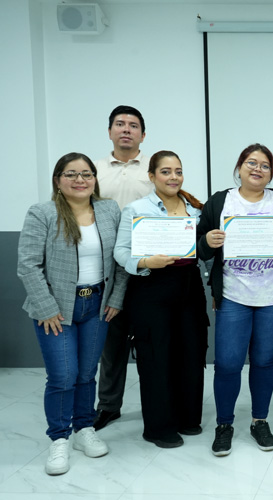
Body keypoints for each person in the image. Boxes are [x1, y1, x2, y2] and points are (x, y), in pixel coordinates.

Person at [18, 153, 128, 475]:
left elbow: (120, 259)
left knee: (86, 373)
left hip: (98, 304)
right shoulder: (43, 213)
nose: (79, 180)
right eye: (71, 174)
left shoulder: (109, 210)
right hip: (56, 308)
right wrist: (47, 307)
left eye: (86, 174)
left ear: (95, 179)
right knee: (63, 376)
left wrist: (117, 297)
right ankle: (59, 439)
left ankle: (83, 430)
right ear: (58, 180)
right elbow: (27, 265)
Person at [197, 143, 273, 456]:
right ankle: (224, 425)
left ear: (271, 172)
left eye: (264, 165)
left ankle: (260, 421)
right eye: (251, 163)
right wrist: (207, 240)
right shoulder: (221, 201)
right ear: (239, 167)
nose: (257, 169)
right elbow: (199, 245)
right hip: (233, 294)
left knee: (263, 361)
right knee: (229, 363)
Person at [114, 151, 208, 448]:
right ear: (152, 176)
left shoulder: (196, 209)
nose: (173, 177)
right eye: (166, 172)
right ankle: (158, 427)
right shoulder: (136, 209)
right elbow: (121, 251)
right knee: (156, 357)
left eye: (178, 171)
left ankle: (188, 418)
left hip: (190, 288)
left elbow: (204, 251)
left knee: (191, 353)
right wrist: (144, 263)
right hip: (151, 289)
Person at [94, 105, 152, 431]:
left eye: (133, 125)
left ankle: (155, 404)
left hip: (147, 264)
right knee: (112, 342)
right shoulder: (94, 170)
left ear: (143, 134)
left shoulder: (155, 167)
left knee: (149, 342)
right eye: (120, 124)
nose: (126, 130)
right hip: (106, 266)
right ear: (110, 131)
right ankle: (108, 406)